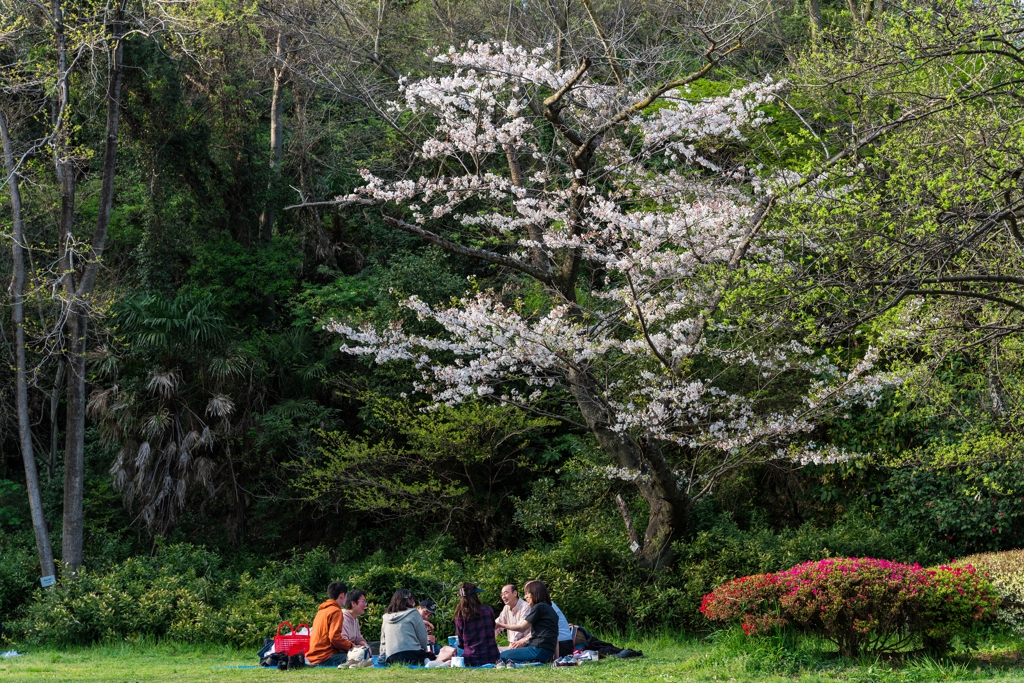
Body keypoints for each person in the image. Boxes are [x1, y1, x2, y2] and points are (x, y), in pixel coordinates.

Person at [495, 580, 558, 664]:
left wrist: (500, 625)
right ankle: (528, 662)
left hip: (537, 649)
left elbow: (522, 628)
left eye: (528, 593)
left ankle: (526, 662)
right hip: (547, 653)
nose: (525, 597)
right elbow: (556, 637)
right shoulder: (551, 610)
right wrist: (556, 658)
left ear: (535, 593)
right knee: (506, 656)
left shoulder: (538, 607)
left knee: (502, 655)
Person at [379, 589, 434, 665]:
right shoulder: (414, 613)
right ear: (409, 600)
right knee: (433, 657)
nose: (413, 603)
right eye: (412, 600)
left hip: (391, 658)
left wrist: (381, 660)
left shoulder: (386, 617)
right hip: (412, 655)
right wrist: (424, 652)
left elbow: (383, 642)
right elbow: (422, 638)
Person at [305, 581, 353, 666]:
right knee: (359, 656)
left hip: (313, 657)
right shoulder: (336, 611)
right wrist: (352, 647)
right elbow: (334, 638)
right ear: (342, 595)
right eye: (346, 596)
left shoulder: (321, 611)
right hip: (325, 657)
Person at [453, 582, 500, 666]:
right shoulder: (488, 610)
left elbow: (461, 642)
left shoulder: (460, 615)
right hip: (492, 656)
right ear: (475, 595)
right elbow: (492, 629)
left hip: (471, 658)